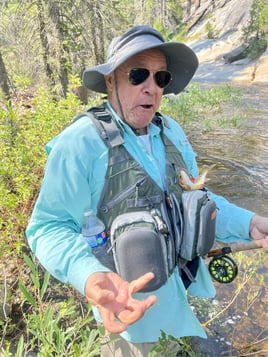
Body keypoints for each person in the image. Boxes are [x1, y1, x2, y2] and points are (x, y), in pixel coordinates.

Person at [26, 25, 268, 356]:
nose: (151, 88)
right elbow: (48, 227)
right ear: (110, 81)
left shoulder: (171, 131)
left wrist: (248, 222)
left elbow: (197, 197)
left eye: (161, 78)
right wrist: (88, 275)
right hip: (131, 317)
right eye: (138, 75)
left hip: (183, 292)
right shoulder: (78, 145)